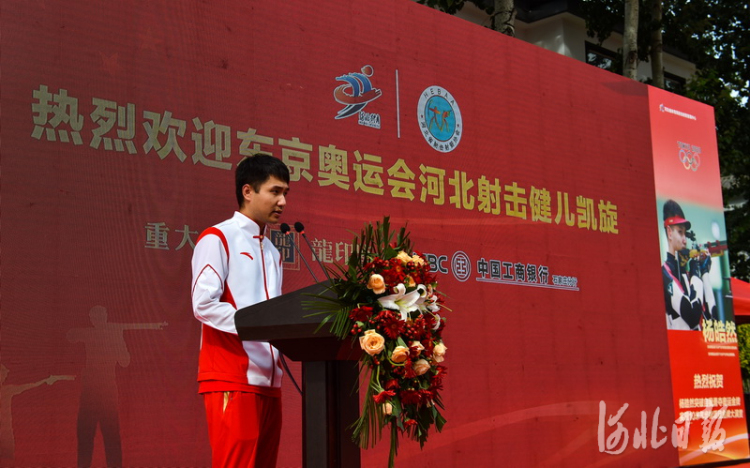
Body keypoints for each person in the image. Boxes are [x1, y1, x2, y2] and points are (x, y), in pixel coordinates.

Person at [191, 154, 290, 467]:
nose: (283, 201)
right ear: (248, 191)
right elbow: (203, 303)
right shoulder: (218, 237)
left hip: (270, 381)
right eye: (275, 191)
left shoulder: (273, 251)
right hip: (231, 375)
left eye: (285, 193)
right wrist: (255, 325)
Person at [662, 199, 717, 330]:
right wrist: (695, 273)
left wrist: (704, 274)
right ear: (669, 232)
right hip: (678, 347)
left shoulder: (687, 276)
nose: (684, 240)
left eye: (685, 234)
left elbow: (712, 319)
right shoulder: (665, 273)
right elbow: (692, 318)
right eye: (680, 232)